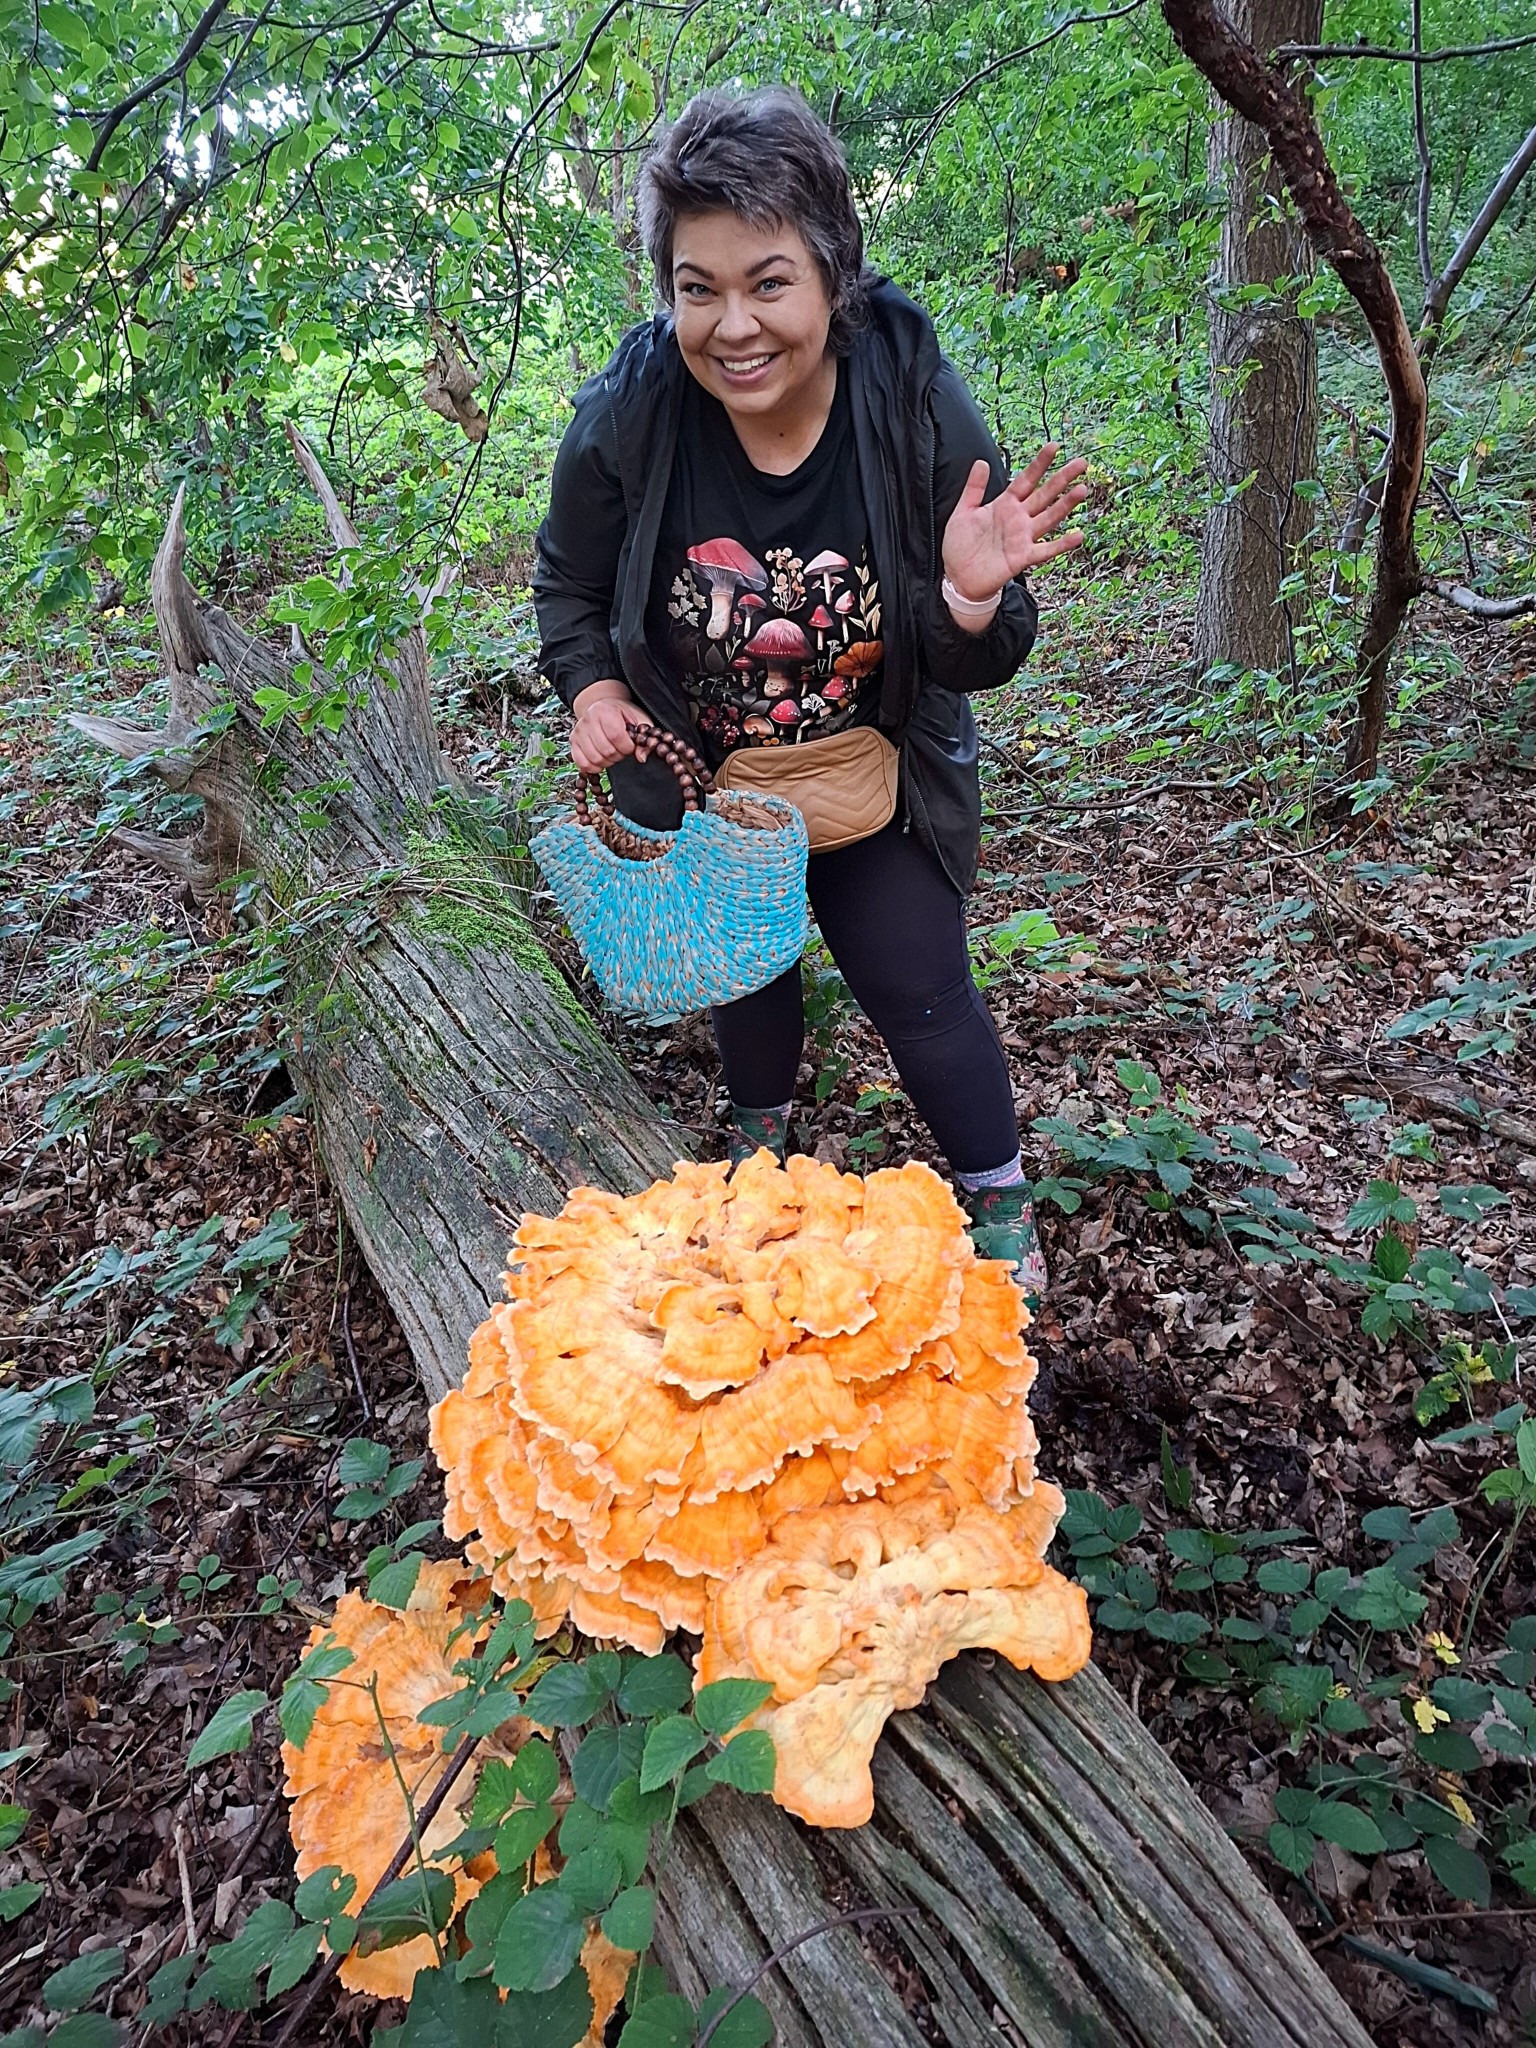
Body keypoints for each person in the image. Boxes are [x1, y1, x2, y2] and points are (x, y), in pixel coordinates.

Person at [534, 86, 1088, 1310]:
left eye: (768, 282)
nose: (733, 324)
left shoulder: (910, 397)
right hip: (712, 780)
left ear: (833, 274)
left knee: (921, 984)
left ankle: (996, 1191)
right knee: (748, 972)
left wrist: (969, 595)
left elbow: (982, 656)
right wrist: (591, 687)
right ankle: (760, 1147)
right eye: (697, 286)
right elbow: (567, 581)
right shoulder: (632, 412)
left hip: (870, 772)